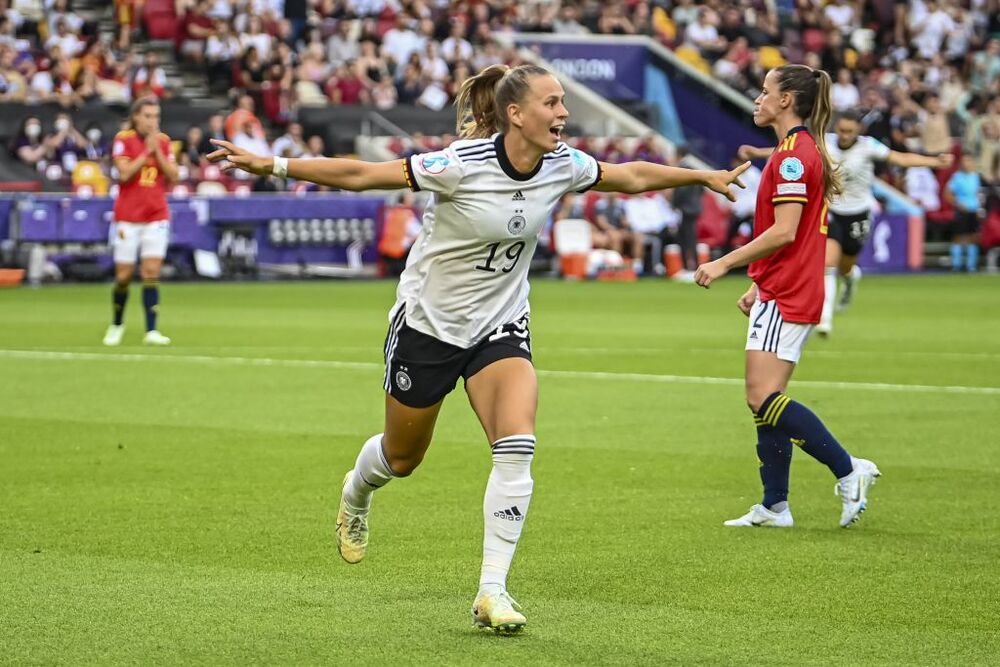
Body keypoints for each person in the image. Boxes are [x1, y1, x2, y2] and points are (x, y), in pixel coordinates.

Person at [206, 63, 749, 634]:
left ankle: (492, 590)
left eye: (564, 102)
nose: (564, 113)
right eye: (552, 102)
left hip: (500, 325)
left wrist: (699, 178)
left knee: (517, 444)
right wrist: (274, 163)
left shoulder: (563, 164)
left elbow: (630, 176)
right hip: (429, 327)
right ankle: (356, 492)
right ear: (516, 114)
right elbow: (364, 174)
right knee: (402, 458)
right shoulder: (459, 165)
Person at [694, 64, 881, 529]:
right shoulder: (795, 150)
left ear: (786, 101)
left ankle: (848, 468)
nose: (757, 99)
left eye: (764, 91)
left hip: (791, 291)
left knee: (762, 396)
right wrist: (758, 281)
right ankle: (775, 504)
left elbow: (784, 231)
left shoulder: (795, 155)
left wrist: (725, 262)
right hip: (782, 285)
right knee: (764, 397)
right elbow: (793, 239)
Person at [739, 110, 952, 336]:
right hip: (829, 210)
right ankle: (824, 318)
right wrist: (757, 153)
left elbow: (901, 158)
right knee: (827, 265)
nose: (845, 135)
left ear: (858, 130)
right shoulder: (824, 142)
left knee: (845, 265)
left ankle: (850, 279)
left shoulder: (869, 146)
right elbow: (790, 152)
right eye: (841, 130)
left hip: (858, 214)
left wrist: (934, 162)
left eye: (850, 131)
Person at [103, 97, 178, 347]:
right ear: (136, 117)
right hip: (128, 216)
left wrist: (157, 151)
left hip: (156, 214)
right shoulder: (123, 140)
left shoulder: (164, 142)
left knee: (151, 272)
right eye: (147, 116)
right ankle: (117, 323)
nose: (152, 121)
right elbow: (124, 174)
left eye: (156, 116)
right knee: (123, 276)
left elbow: (174, 177)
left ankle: (152, 329)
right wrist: (146, 150)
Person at [946, 153, 984, 272]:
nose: (966, 163)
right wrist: (958, 203)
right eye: (964, 161)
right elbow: (947, 194)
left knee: (973, 238)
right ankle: (956, 265)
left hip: (974, 210)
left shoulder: (976, 177)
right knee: (958, 237)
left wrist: (980, 209)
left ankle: (971, 266)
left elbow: (979, 194)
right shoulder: (957, 177)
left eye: (969, 160)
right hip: (962, 211)